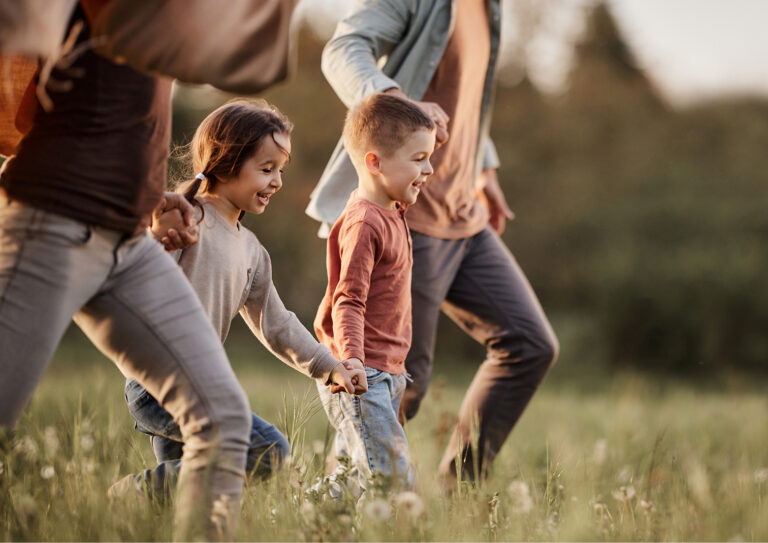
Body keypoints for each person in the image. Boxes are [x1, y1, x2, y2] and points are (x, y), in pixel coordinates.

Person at [0, 4, 294, 539]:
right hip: (53, 222)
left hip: (127, 239)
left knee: (226, 426)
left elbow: (221, 62)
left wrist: (148, 197)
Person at [305, 0, 559, 486]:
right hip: (405, 220)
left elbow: (466, 99)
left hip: (465, 213)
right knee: (396, 384)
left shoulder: (490, 9)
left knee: (529, 344)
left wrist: (483, 168)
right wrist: (396, 99)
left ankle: (456, 492)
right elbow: (342, 48)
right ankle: (339, 514)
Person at [112, 99, 368, 501]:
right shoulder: (186, 219)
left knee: (188, 501)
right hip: (158, 382)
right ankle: (131, 494)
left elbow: (277, 324)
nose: (277, 182)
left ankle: (139, 507)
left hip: (197, 382)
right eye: (266, 169)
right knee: (267, 451)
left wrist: (329, 367)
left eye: (279, 170)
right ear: (226, 162)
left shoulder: (252, 252)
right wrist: (157, 234)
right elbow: (136, 276)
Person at [314, 93, 436, 494]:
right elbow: (347, 299)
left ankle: (306, 524)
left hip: (388, 371)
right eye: (420, 159)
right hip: (363, 373)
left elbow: (404, 149)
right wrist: (351, 360)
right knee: (395, 482)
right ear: (374, 163)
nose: (429, 169)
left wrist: (418, 150)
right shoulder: (365, 222)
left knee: (351, 478)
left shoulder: (392, 208)